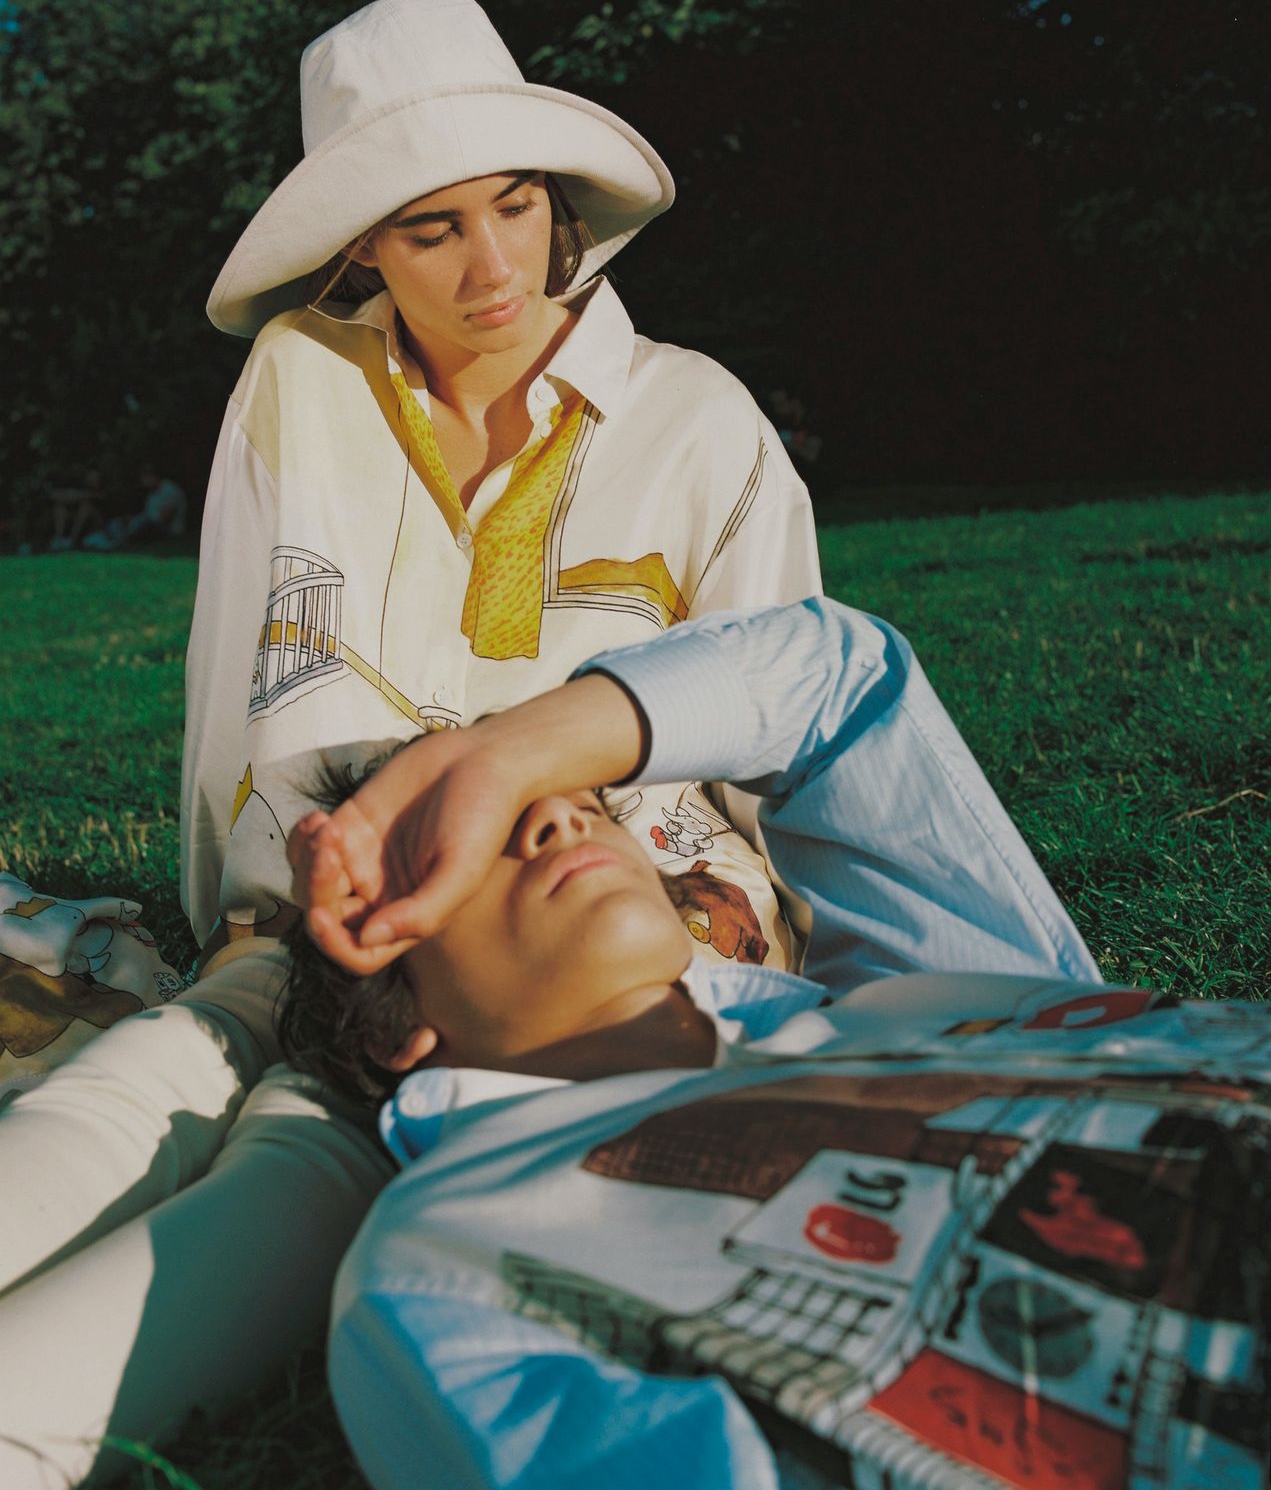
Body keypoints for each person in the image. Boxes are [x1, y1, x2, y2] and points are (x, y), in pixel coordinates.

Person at [0, 0, 820, 1487]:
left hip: (590, 937)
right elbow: (238, 681)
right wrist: (248, 940)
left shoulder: (696, 419)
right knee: (184, 1063)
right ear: (361, 245)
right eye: (429, 226)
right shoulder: (298, 383)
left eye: (514, 204)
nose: (492, 263)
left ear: (558, 202)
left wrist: (735, 941)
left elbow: (786, 718)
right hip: (338, 905)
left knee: (304, 1160)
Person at [275, 600, 1262, 1490]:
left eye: (571, 795)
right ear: (397, 1019)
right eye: (441, 850)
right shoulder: (454, 1251)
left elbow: (838, 687)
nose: (554, 810)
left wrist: (505, 753)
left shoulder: (916, 993)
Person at [81, 464, 188, 550]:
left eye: (144, 477)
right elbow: (147, 514)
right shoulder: (151, 494)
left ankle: (116, 541)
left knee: (139, 525)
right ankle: (103, 539)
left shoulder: (170, 490)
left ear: (153, 476)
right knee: (118, 522)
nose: (142, 481)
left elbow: (164, 519)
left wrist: (138, 521)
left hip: (166, 530)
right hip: (147, 523)